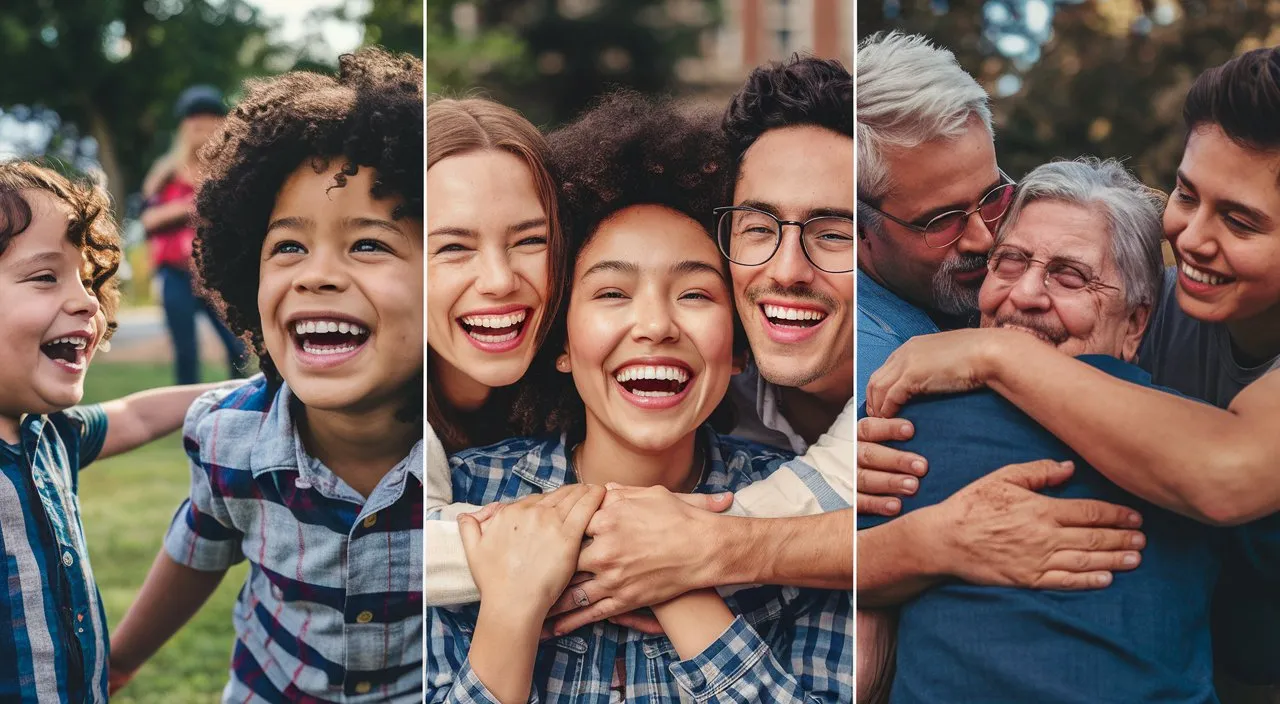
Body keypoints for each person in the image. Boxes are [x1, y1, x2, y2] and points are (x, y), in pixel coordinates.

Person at [862, 44, 1280, 702]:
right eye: (1187, 195)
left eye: (1239, 219)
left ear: (1136, 325)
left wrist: (999, 353)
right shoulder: (1181, 291)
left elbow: (1223, 476)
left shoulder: (1130, 319)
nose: (1193, 238)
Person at [426, 91, 851, 703]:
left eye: (696, 295)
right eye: (611, 294)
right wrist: (511, 611)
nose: (655, 325)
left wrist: (685, 581)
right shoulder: (467, 494)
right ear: (561, 342)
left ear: (737, 348)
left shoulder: (802, 531)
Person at [107, 49, 425, 701]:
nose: (316, 274)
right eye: (288, 246)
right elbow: (195, 555)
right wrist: (119, 660)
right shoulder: (228, 438)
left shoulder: (482, 449)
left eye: (368, 243)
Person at [0, 159, 241, 703]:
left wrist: (241, 395)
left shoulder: (48, 436)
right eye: (45, 276)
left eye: (87, 279)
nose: (87, 301)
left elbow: (132, 415)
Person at [139, 85, 247, 384]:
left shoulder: (230, 170)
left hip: (216, 274)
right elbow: (148, 219)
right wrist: (194, 205)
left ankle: (242, 409)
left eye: (210, 116)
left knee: (238, 348)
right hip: (176, 274)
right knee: (186, 353)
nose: (201, 123)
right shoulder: (165, 173)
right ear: (183, 126)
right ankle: (189, 418)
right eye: (193, 117)